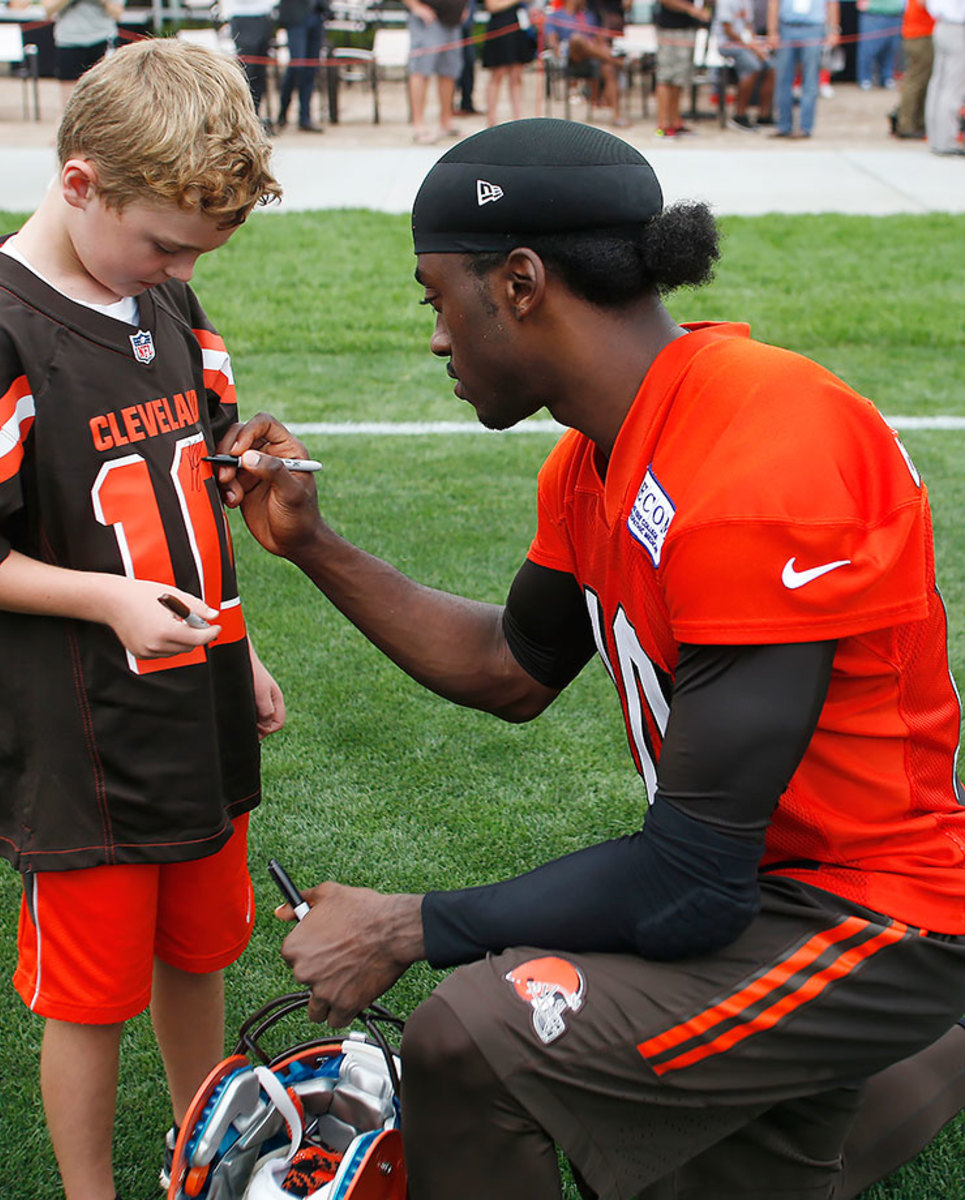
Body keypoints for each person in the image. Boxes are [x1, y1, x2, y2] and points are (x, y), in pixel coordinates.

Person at [213, 118, 965, 1199]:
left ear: (519, 281)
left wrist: (406, 925)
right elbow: (510, 667)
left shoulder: (767, 451)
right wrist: (314, 548)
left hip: (866, 914)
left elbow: (691, 885)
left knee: (470, 1037)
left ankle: (916, 1020)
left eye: (436, 298)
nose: (435, 339)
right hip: (771, 889)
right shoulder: (597, 454)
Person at [0, 39, 283, 1200]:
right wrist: (105, 599)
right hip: (81, 739)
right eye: (163, 240)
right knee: (91, 989)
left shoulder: (165, 296)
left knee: (202, 947)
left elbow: (198, 499)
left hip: (191, 692)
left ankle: (203, 1154)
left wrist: (242, 641)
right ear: (80, 184)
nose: (173, 266)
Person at [767, 0, 839, 135]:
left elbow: (832, 4)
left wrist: (833, 30)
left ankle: (805, 127)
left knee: (810, 79)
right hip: (787, 27)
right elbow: (773, 3)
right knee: (783, 78)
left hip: (813, 28)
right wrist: (772, 31)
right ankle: (784, 125)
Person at [403, 0, 466, 142]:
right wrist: (415, 6)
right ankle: (419, 126)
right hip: (428, 19)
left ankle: (446, 123)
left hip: (453, 21)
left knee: (449, 72)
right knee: (420, 71)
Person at [42, 0, 123, 109]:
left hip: (102, 38)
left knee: (104, 97)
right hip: (69, 40)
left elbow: (117, 13)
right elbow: (47, 10)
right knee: (69, 103)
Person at [654, 0, 712, 136]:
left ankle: (675, 122)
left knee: (679, 78)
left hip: (687, 27)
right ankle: (662, 125)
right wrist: (692, 9)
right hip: (670, 30)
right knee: (665, 77)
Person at [481, 0, 537, 126]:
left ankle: (518, 117)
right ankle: (491, 119)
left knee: (516, 75)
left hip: (518, 25)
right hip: (500, 25)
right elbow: (492, 6)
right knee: (497, 73)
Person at [224, 0, 277, 129]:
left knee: (260, 73)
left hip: (264, 16)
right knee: (247, 72)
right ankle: (243, 118)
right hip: (244, 16)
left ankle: (255, 115)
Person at [276, 0, 328, 132]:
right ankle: (282, 114)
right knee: (296, 67)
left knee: (310, 70)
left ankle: (305, 117)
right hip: (296, 16)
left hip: (317, 14)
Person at [924, 0, 965, 153]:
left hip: (941, 25)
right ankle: (946, 141)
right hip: (957, 27)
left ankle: (936, 138)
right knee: (953, 87)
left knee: (938, 83)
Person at [891, 0, 935, 136]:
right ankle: (906, 124)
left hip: (919, 34)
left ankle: (916, 122)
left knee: (921, 81)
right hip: (920, 35)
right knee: (916, 81)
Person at [856, 0, 904, 89]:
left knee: (890, 49)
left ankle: (886, 77)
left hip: (895, 15)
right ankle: (865, 78)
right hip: (873, 15)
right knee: (868, 50)